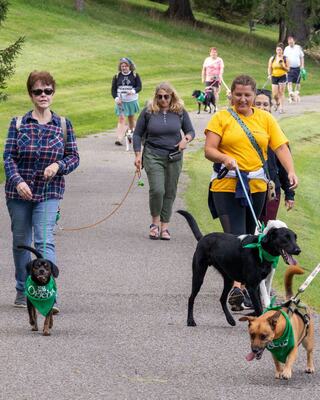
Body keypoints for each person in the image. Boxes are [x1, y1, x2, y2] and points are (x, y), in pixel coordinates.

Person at [205, 75, 298, 311]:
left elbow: (279, 147)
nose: (243, 99)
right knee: (236, 236)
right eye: (238, 95)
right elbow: (209, 149)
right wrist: (225, 158)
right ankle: (238, 288)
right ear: (231, 95)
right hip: (227, 186)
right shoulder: (221, 118)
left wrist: (290, 171)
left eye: (247, 95)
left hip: (256, 187)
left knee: (251, 237)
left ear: (254, 96)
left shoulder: (265, 119)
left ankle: (245, 286)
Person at [3, 71, 80, 308]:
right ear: (30, 94)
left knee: (45, 241)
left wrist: (58, 165)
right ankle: (22, 289)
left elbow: (74, 157)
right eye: (38, 91)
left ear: (53, 93)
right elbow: (8, 158)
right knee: (22, 241)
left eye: (47, 91)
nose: (43, 95)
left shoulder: (63, 125)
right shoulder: (18, 123)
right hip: (19, 194)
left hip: (49, 193)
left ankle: (48, 293)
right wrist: (18, 181)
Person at [133, 82, 195, 240]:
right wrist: (138, 155)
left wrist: (185, 140)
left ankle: (164, 226)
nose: (163, 99)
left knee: (170, 191)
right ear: (155, 97)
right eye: (159, 96)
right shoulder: (149, 111)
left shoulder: (179, 111)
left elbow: (190, 131)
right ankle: (154, 223)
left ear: (172, 96)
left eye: (166, 96)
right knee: (157, 190)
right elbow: (137, 134)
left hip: (174, 157)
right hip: (153, 155)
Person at [254, 88, 295, 224]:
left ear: (271, 107)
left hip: (270, 190)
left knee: (265, 232)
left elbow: (283, 166)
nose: (262, 107)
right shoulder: (242, 130)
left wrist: (289, 194)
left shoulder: (277, 132)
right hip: (248, 188)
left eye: (265, 104)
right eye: (258, 104)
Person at [111, 57, 142, 146]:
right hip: (121, 102)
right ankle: (119, 139)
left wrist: (132, 91)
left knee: (131, 119)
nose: (124, 68)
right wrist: (116, 98)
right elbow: (113, 90)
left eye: (125, 66)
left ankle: (133, 135)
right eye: (122, 66)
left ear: (130, 66)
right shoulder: (117, 76)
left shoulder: (135, 75)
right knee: (121, 118)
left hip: (132, 101)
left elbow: (139, 87)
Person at [268, 43, 290, 114]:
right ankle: (277, 102)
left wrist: (283, 66)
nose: (279, 51)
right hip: (274, 76)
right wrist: (269, 74)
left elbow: (288, 69)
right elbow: (269, 67)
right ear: (276, 50)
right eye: (277, 50)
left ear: (282, 50)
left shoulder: (285, 58)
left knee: (281, 93)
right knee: (274, 94)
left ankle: (281, 108)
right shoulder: (272, 58)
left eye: (280, 50)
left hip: (282, 76)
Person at [284, 36, 305, 101]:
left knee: (297, 83)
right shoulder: (286, 48)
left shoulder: (298, 48)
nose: (290, 43)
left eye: (292, 42)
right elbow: (284, 58)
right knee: (289, 82)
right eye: (289, 42)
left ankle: (296, 94)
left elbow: (302, 57)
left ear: (294, 41)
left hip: (298, 68)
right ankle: (291, 94)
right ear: (288, 42)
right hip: (289, 68)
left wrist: (302, 66)